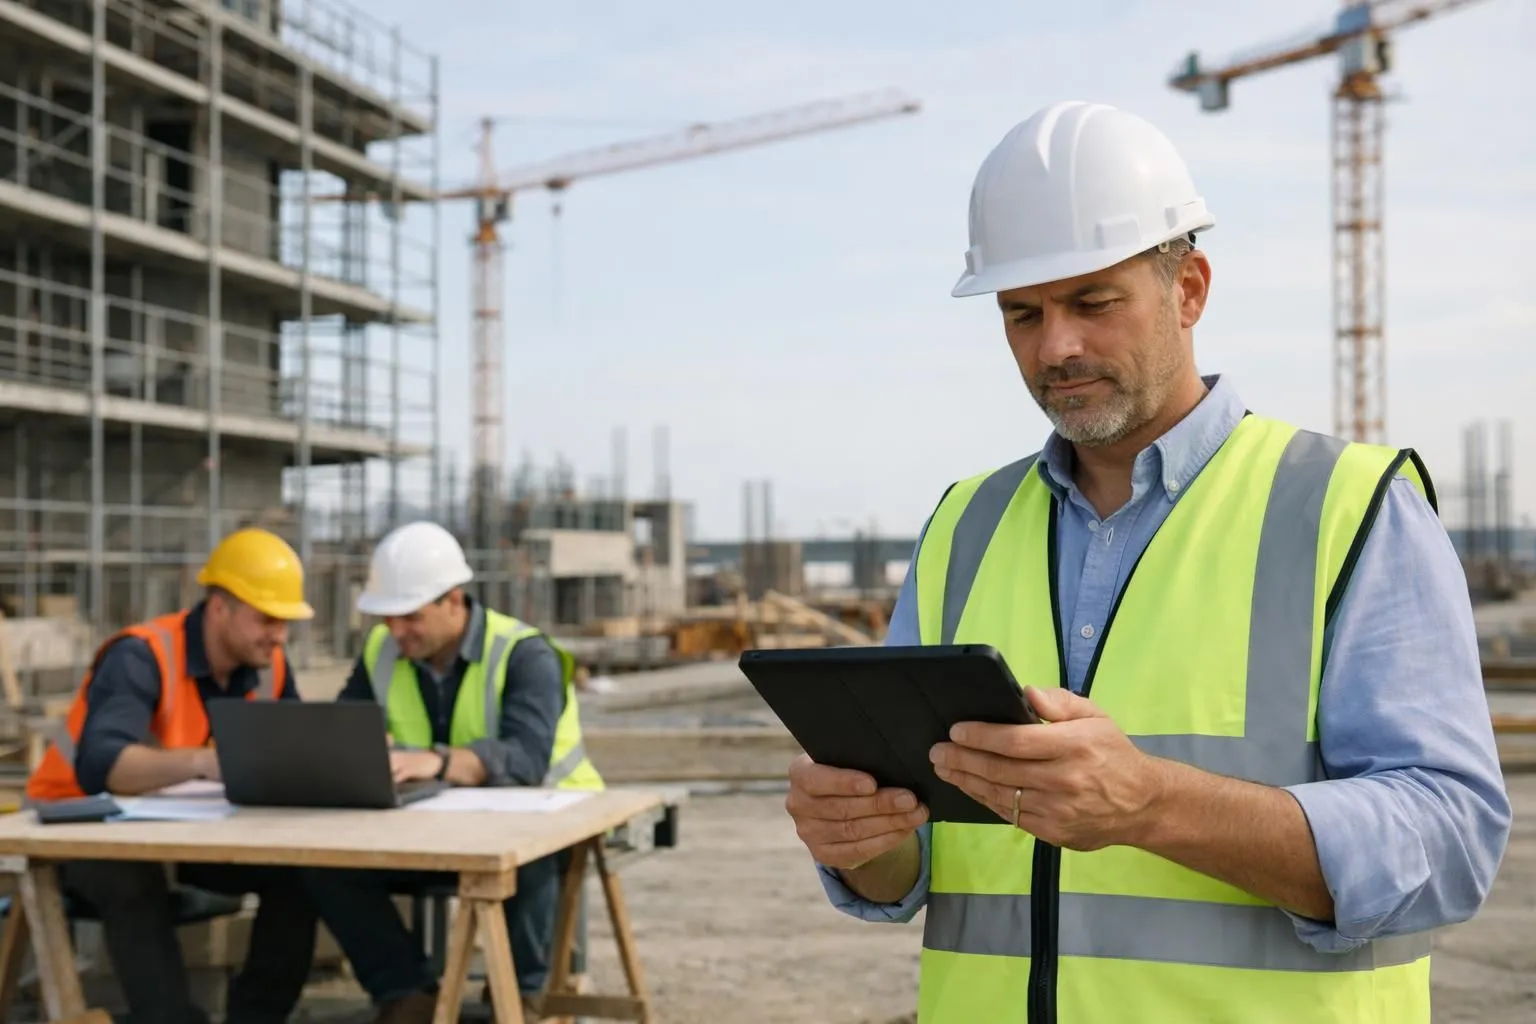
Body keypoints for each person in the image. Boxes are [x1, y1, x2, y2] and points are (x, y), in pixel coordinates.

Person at [783, 100, 1512, 1023]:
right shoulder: (963, 526)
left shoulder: (1348, 508)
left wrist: (1151, 804)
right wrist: (860, 839)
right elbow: (912, 865)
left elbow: (1449, 843)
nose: (1058, 348)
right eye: (1022, 313)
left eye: (1093, 302)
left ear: (1191, 288)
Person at [304, 520, 603, 1024]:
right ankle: (406, 998)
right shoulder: (381, 652)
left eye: (411, 617)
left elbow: (526, 759)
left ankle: (522, 1001)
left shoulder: (526, 653)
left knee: (525, 858)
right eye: (389, 619)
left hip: (546, 820)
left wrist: (437, 761)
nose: (397, 631)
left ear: (454, 601)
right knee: (323, 863)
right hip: (430, 825)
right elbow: (345, 728)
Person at [26, 527, 320, 1024]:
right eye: (267, 619)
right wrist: (204, 761)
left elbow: (284, 752)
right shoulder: (140, 656)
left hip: (188, 830)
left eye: (286, 624)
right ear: (220, 607)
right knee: (132, 879)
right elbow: (105, 767)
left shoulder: (268, 666)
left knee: (305, 872)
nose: (278, 637)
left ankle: (256, 1017)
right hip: (77, 826)